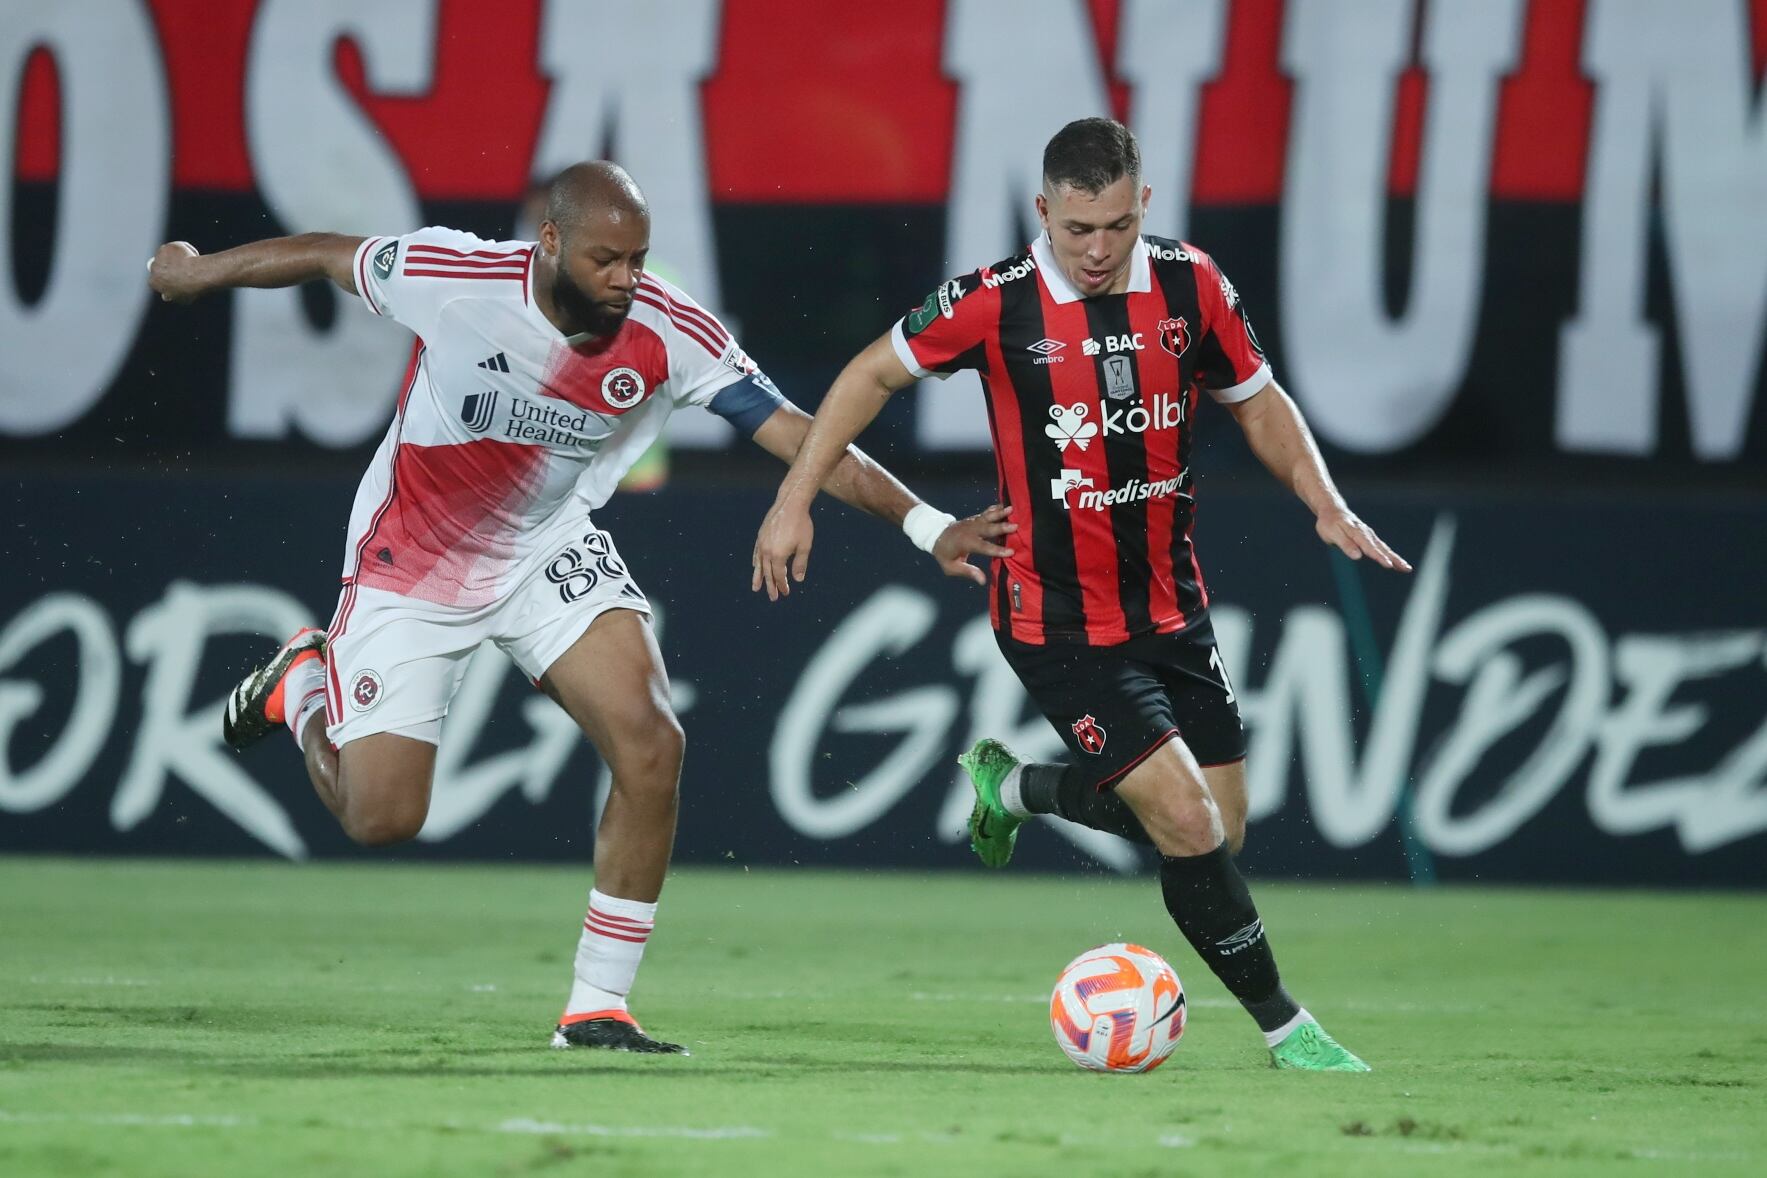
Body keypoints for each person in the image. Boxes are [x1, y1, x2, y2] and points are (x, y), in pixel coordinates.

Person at [147, 161, 1012, 1055]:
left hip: (543, 544)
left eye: (638, 259)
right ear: (549, 242)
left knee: (652, 742)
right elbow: (328, 254)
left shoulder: (667, 329)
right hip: (415, 558)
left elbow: (798, 434)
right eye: (607, 260)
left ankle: (597, 1005)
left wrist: (926, 524)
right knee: (381, 819)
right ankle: (304, 690)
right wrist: (194, 270)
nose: (626, 280)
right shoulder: (455, 278)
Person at [753, 119, 1411, 1072]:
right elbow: (866, 375)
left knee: (1219, 832)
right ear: (1043, 214)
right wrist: (793, 497)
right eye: (1076, 230)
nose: (1097, 250)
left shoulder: (1191, 283)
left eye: (1114, 226)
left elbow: (1258, 398)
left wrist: (1324, 504)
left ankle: (1015, 788)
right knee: (1185, 824)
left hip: (1171, 609)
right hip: (1055, 621)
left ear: (1143, 203)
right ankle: (1286, 1028)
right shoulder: (992, 302)